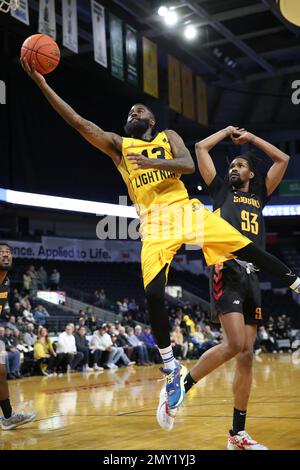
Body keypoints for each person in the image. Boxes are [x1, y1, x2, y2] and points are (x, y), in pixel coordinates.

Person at [21, 59, 300, 414]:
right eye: (130, 111)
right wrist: (42, 84)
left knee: (246, 248)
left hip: (185, 209)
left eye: (139, 110)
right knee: (153, 293)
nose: (133, 112)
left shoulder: (168, 137)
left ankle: (294, 282)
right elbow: (78, 122)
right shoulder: (119, 146)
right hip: (153, 223)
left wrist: (155, 165)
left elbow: (186, 165)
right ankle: (170, 367)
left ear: (151, 120)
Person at [157, 127, 290, 449]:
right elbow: (200, 146)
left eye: (240, 166)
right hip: (226, 267)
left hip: (253, 276)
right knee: (232, 344)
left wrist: (253, 140)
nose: (233, 169)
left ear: (252, 173)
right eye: (232, 166)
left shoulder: (260, 192)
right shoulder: (220, 190)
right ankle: (179, 387)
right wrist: (229, 133)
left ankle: (237, 434)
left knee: (246, 355)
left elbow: (283, 158)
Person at [0, 244, 36, 430]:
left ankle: (7, 417)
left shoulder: (6, 282)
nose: (6, 256)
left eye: (8, 253)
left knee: (1, 373)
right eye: (1, 253)